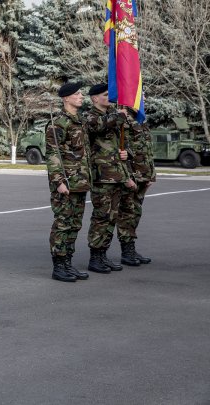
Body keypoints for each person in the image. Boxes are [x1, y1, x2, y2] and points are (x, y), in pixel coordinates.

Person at [45, 82, 93, 282]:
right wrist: (58, 182)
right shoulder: (58, 123)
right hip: (66, 183)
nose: (81, 96)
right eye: (77, 94)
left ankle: (68, 262)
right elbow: (52, 154)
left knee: (74, 224)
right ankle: (58, 265)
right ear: (66, 98)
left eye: (81, 93)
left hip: (80, 182)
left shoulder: (80, 121)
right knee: (63, 224)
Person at [85, 83, 133, 273]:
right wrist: (118, 115)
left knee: (112, 217)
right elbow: (96, 126)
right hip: (101, 176)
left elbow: (124, 142)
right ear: (95, 98)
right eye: (106, 95)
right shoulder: (90, 116)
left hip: (117, 175)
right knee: (101, 217)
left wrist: (126, 153)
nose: (110, 98)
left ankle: (103, 254)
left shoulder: (114, 116)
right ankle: (95, 257)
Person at [117, 108, 156, 266]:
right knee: (127, 213)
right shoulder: (123, 119)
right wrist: (126, 177)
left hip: (142, 175)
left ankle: (131, 249)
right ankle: (127, 251)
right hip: (131, 175)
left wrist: (151, 175)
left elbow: (147, 150)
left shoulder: (141, 119)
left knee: (135, 213)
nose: (142, 96)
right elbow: (120, 151)